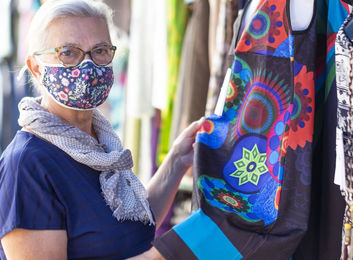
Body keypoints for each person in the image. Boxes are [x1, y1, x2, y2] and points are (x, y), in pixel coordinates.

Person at [0, 0, 203, 259]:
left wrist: (176, 160)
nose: (88, 65)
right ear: (37, 68)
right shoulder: (27, 165)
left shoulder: (102, 143)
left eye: (100, 50)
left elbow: (131, 226)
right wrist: (164, 255)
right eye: (69, 52)